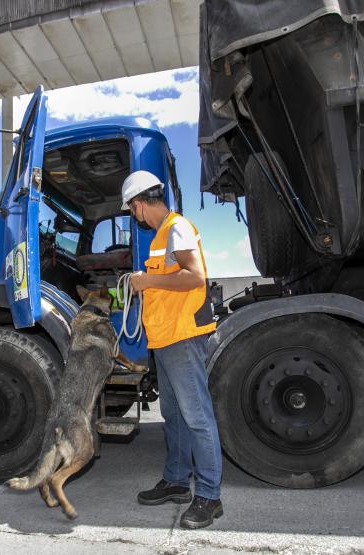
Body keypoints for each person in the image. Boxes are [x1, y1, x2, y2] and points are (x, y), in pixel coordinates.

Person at [123, 170, 223, 530]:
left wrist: (146, 279)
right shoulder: (161, 238)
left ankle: (210, 496)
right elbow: (170, 282)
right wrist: (147, 280)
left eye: (132, 211)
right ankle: (177, 481)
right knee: (175, 415)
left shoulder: (177, 227)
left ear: (138, 204)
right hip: (165, 340)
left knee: (197, 417)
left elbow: (194, 277)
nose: (135, 217)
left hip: (182, 337)